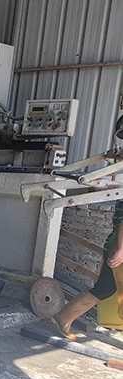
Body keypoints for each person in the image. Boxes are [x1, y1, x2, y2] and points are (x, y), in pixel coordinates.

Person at [53, 114, 123, 339]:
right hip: (119, 242)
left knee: (106, 288)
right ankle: (64, 317)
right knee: (106, 289)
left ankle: (64, 317)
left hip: (116, 240)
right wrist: (121, 250)